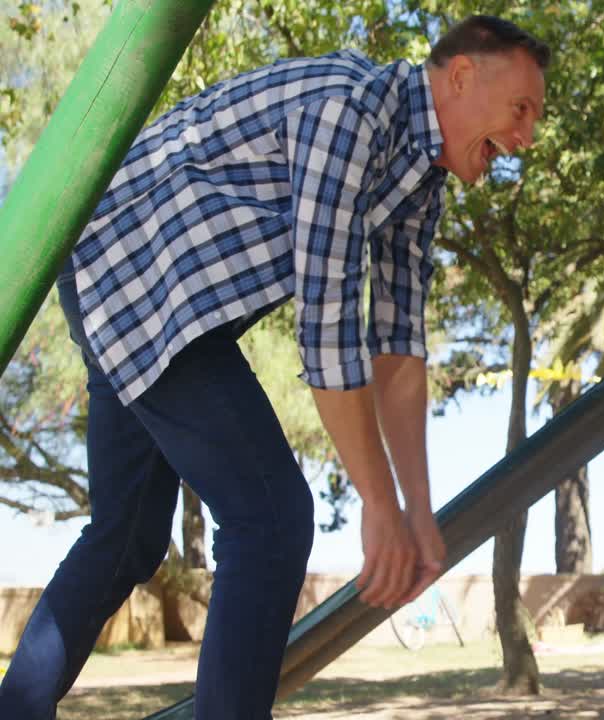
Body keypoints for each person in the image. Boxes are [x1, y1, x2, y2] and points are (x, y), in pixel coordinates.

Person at [0, 15, 549, 719]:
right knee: (271, 518)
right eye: (521, 110)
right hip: (140, 273)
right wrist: (378, 506)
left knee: (128, 534)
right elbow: (327, 323)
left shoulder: (420, 183)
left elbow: (398, 349)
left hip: (153, 293)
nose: (527, 136)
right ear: (463, 77)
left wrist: (416, 508)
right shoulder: (351, 112)